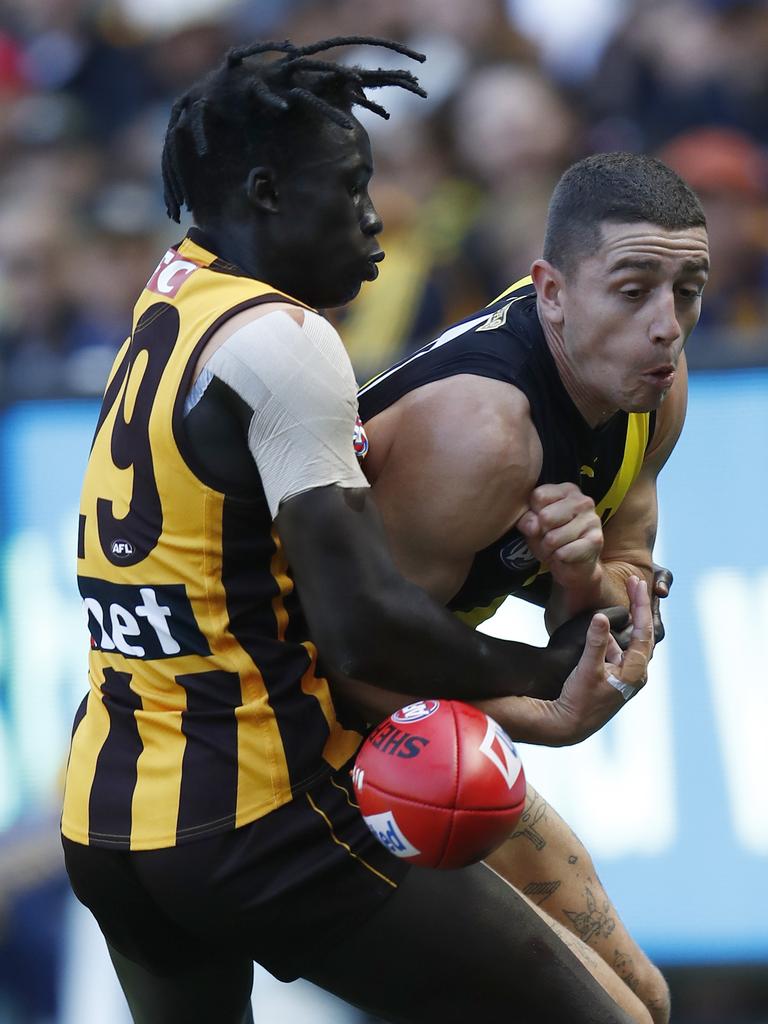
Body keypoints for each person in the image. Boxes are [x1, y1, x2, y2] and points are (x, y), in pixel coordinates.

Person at [60, 39, 655, 1024]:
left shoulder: (175, 287)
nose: (377, 218)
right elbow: (366, 629)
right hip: (258, 814)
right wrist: (549, 671)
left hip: (110, 819)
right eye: (348, 188)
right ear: (262, 193)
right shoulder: (287, 340)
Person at [355, 151, 710, 1024]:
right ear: (550, 290)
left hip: (408, 715)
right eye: (633, 290)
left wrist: (583, 573)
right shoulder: (480, 432)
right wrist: (544, 719)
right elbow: (355, 662)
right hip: (295, 725)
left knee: (651, 1003)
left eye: (689, 290)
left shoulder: (650, 384)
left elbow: (619, 601)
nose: (668, 326)